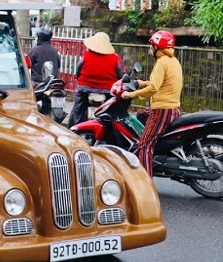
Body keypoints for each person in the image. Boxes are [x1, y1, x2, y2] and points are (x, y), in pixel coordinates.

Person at [121, 30, 183, 178]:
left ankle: (145, 181)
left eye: (152, 46)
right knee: (141, 114)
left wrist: (131, 94)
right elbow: (160, 83)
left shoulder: (162, 62)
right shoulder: (173, 61)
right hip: (172, 107)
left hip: (163, 110)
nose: (150, 49)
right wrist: (142, 83)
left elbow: (154, 88)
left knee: (145, 146)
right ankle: (148, 139)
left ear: (157, 47)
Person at [68, 32, 124, 127]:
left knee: (78, 109)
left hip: (85, 88)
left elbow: (78, 70)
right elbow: (120, 74)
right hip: (108, 90)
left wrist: (78, 77)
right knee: (112, 110)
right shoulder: (115, 58)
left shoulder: (86, 55)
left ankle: (77, 127)